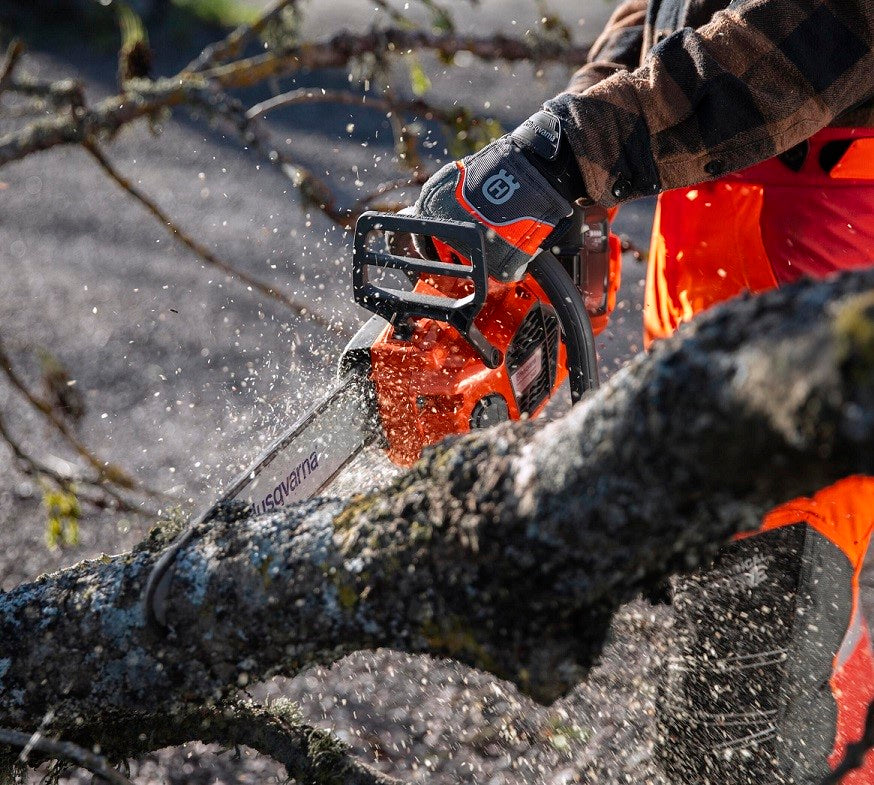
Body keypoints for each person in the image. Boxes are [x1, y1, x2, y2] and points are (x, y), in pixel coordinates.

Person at [411, 1, 874, 782]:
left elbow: (816, 30)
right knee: (752, 609)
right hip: (724, 225)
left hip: (827, 251)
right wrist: (579, 139)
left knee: (740, 709)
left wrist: (574, 150)